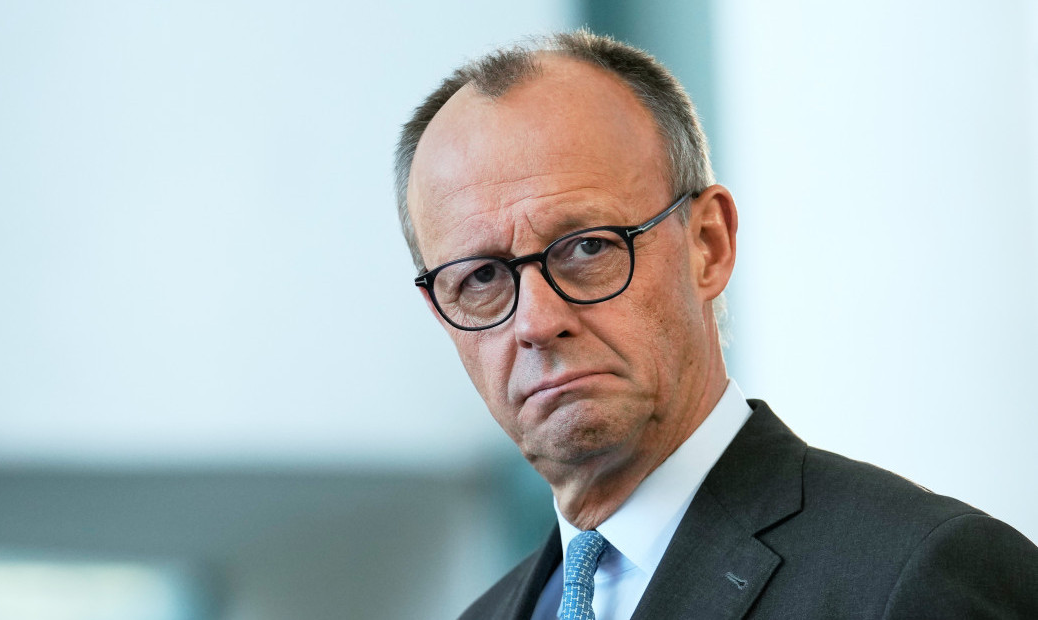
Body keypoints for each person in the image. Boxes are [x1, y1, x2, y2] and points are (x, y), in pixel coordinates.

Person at [393, 30, 1038, 619]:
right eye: (481, 278)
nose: (537, 321)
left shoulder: (917, 578)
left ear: (709, 244)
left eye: (588, 247)